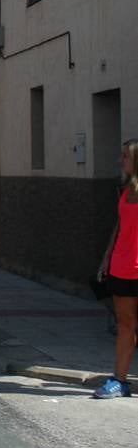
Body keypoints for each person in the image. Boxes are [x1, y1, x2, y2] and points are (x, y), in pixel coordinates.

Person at [94, 138, 138, 399]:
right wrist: (106, 258)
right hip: (122, 266)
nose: (120, 160)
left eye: (125, 156)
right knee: (125, 325)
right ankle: (119, 381)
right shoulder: (125, 191)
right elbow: (119, 227)